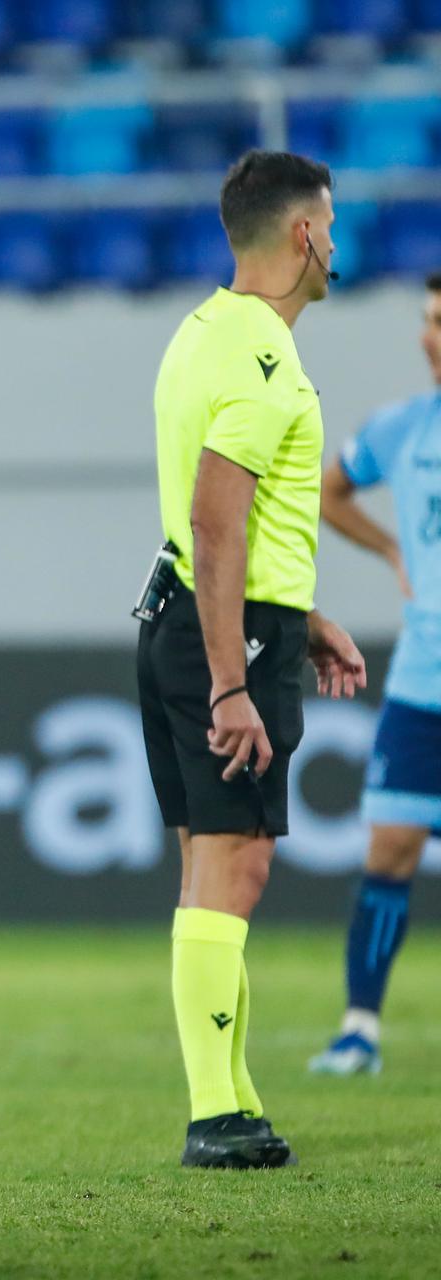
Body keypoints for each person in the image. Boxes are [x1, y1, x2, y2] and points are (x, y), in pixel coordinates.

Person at [136, 149, 367, 1169]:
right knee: (235, 863)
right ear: (305, 234)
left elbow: (227, 523)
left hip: (195, 614)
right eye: (333, 223)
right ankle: (213, 1112)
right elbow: (217, 520)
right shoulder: (265, 359)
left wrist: (304, 609)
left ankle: (233, 1098)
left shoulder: (203, 334)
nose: (336, 242)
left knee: (213, 865)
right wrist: (234, 681)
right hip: (226, 634)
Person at [308, 272, 441, 1077]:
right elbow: (330, 491)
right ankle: (359, 1029)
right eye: (428, 319)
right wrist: (390, 548)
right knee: (388, 846)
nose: (431, 335)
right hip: (422, 687)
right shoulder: (402, 429)